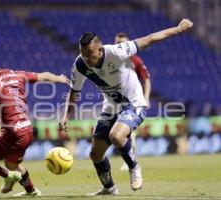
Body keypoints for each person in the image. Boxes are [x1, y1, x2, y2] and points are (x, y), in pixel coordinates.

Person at [59, 19, 193, 195]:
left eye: (89, 53)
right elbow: (74, 91)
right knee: (95, 154)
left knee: (116, 135)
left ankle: (134, 167)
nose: (86, 57)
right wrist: (67, 116)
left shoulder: (117, 52)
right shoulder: (80, 65)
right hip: (111, 107)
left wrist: (178, 29)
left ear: (99, 50)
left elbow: (150, 38)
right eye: (82, 53)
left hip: (134, 104)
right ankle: (109, 188)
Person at [0, 48, 70, 197]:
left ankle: (7, 176)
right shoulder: (15, 74)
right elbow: (43, 76)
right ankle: (31, 191)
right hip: (27, 130)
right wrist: (59, 78)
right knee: (12, 164)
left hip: (12, 134)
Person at [114, 33, 152, 171]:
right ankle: (130, 160)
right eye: (118, 42)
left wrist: (146, 97)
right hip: (116, 103)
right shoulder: (111, 60)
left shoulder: (135, 61)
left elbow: (146, 79)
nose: (121, 45)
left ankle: (131, 162)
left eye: (124, 43)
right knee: (119, 133)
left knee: (129, 132)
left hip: (132, 103)